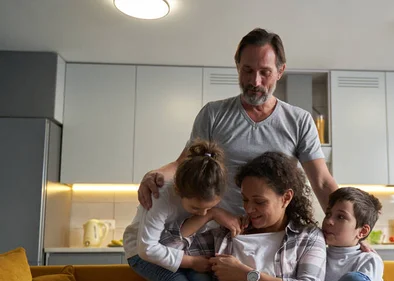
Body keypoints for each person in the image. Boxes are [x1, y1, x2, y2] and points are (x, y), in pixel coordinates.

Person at [137, 28, 337, 235]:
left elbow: (322, 182)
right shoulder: (213, 114)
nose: (255, 81)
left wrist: (351, 226)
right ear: (238, 67)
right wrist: (155, 174)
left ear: (280, 71)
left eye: (264, 72)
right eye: (247, 70)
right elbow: (183, 164)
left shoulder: (300, 121)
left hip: (275, 238)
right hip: (221, 233)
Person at [179, 152, 326, 281]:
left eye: (259, 202)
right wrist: (212, 213)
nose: (249, 208)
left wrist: (245, 275)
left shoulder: (307, 237)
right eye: (245, 200)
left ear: (286, 198)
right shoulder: (229, 234)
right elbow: (168, 249)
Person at [123, 140, 227, 281]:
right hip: (140, 253)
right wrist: (192, 261)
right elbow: (147, 248)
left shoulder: (204, 200)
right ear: (179, 190)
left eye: (209, 208)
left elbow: (188, 233)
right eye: (195, 208)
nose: (203, 214)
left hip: (176, 251)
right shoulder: (161, 196)